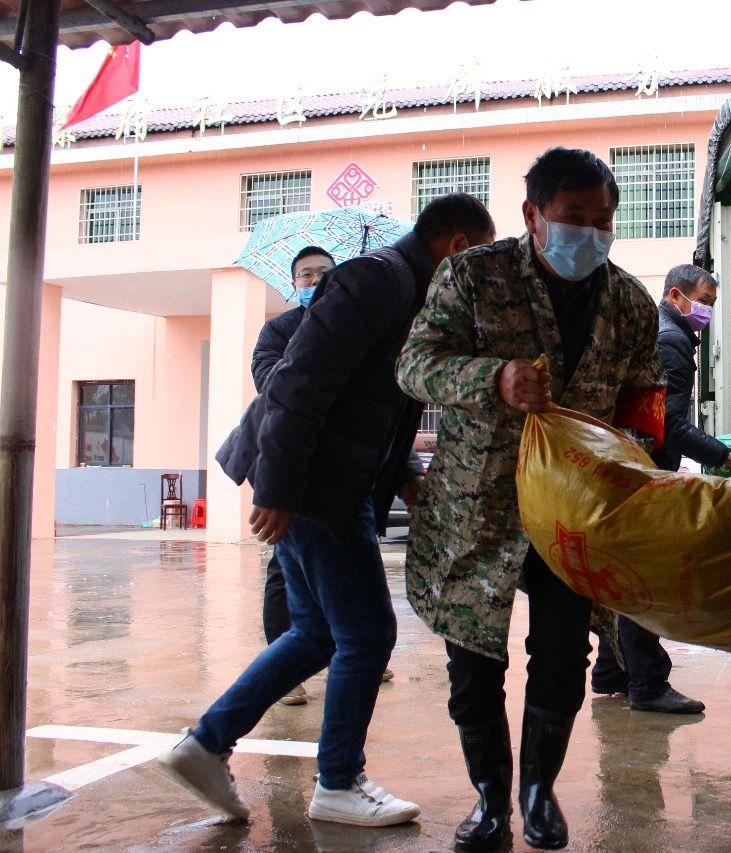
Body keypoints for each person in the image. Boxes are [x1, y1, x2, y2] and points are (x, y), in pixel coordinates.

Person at [158, 193, 496, 828]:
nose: (480, 279)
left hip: (332, 482)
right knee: (367, 635)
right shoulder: (376, 280)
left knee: (316, 633)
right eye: (480, 259)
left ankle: (206, 744)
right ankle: (338, 782)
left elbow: (374, 408)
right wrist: (278, 488)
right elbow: (297, 383)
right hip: (317, 486)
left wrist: (404, 479)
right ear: (457, 247)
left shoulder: (408, 295)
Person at [396, 147, 666, 851]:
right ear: (533, 215)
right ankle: (490, 799)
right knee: (473, 659)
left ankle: (539, 791)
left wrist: (636, 467)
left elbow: (644, 398)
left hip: (572, 508)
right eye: (574, 217)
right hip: (475, 503)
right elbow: (414, 366)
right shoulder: (473, 275)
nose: (591, 233)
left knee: (562, 651)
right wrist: (493, 378)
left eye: (603, 220)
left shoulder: (630, 302)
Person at [590, 263, 731, 715]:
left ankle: (611, 671)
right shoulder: (672, 341)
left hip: (628, 469)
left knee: (626, 573)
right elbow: (670, 423)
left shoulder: (662, 333)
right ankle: (648, 684)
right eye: (703, 301)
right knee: (645, 578)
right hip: (642, 473)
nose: (706, 311)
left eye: (712, 304)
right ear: (675, 295)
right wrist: (723, 455)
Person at [252, 246, 403, 707]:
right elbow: (273, 385)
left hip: (345, 470)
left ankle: (353, 653)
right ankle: (287, 670)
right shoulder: (279, 330)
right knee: (285, 569)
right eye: (306, 275)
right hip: (290, 465)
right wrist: (312, 357)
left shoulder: (357, 324)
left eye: (324, 273)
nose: (314, 281)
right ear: (293, 283)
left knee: (350, 568)